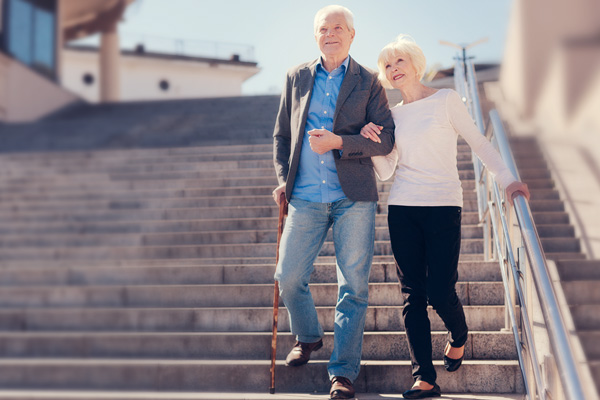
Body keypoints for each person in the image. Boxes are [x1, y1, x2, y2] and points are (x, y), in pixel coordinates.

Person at [361, 35, 530, 399]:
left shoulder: (446, 100)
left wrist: (508, 181)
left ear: (416, 64)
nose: (393, 70)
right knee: (412, 295)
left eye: (399, 62)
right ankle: (424, 377)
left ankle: (459, 334)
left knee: (440, 289)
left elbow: (479, 142)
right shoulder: (390, 115)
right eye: (387, 66)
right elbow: (388, 171)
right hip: (403, 208)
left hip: (442, 205)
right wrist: (374, 143)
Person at [272, 5, 395, 399]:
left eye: (338, 28)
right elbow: (280, 137)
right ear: (315, 36)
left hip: (352, 197)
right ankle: (308, 335)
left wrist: (342, 141)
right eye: (323, 28)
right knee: (288, 278)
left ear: (352, 35)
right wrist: (282, 181)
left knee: (353, 286)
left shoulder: (369, 81)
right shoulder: (296, 77)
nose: (330, 34)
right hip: (305, 197)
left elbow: (387, 138)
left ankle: (342, 372)